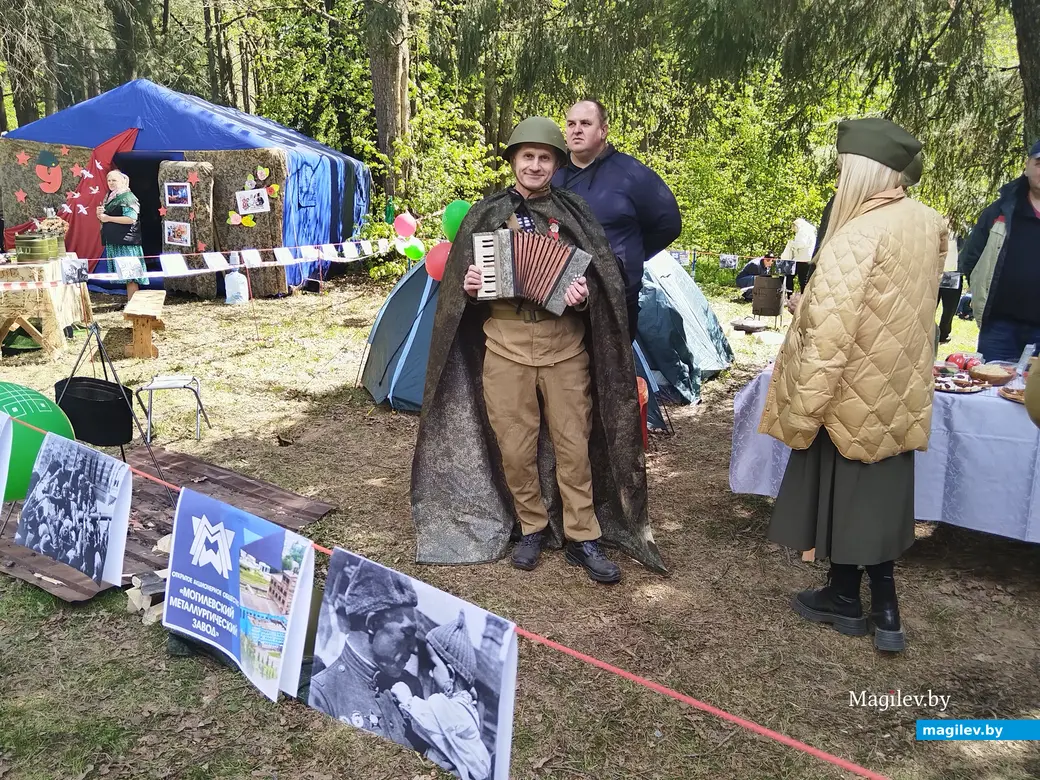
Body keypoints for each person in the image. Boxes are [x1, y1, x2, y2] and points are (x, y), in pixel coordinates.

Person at [411, 116, 665, 582]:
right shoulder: (485, 213)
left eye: (544, 157)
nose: (534, 165)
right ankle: (531, 526)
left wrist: (584, 293)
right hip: (504, 346)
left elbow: (599, 278)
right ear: (513, 162)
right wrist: (467, 285)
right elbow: (459, 289)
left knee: (574, 445)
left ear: (555, 164)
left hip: (565, 347)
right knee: (515, 445)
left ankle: (583, 536)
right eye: (526, 156)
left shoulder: (575, 212)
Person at [760, 118, 947, 654]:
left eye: (845, 168)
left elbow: (830, 334)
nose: (841, 179)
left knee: (848, 497)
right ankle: (864, 604)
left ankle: (865, 605)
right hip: (897, 386)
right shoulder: (928, 222)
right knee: (879, 498)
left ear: (862, 169)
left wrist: (804, 404)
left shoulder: (858, 234)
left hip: (848, 393)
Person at [551, 100, 682, 342]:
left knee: (611, 379)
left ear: (603, 130)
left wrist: (628, 257)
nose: (576, 129)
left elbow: (669, 224)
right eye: (571, 124)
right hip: (560, 303)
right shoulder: (553, 174)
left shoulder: (631, 174)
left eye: (585, 123)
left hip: (616, 303)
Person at [308, 560, 428, 750]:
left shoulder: (412, 686)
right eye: (406, 634)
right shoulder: (323, 694)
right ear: (373, 624)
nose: (413, 648)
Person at [958, 140, 1040, 362]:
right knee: (992, 390)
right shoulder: (1000, 211)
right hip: (999, 327)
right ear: (1027, 165)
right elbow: (970, 258)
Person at [392, 611, 492, 780]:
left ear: (451, 674)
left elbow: (426, 720)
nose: (431, 673)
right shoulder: (466, 707)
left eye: (434, 665)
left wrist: (407, 699)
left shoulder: (452, 707)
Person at [96, 169, 146, 299]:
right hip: (116, 240)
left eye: (114, 180)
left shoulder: (128, 197)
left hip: (126, 242)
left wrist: (108, 218)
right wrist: (100, 215)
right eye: (109, 180)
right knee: (125, 275)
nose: (111, 183)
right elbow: (106, 218)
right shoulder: (111, 197)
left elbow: (131, 218)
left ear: (123, 181)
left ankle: (134, 305)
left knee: (131, 275)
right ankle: (130, 302)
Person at [936, 226, 962, 344]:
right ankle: (930, 331)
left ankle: (943, 333)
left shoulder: (962, 232)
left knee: (949, 309)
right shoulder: (937, 230)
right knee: (931, 304)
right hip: (937, 272)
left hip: (953, 274)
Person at [779, 219, 817, 293]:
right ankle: (801, 296)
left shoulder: (803, 231)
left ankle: (792, 295)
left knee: (790, 276)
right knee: (803, 279)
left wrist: (791, 243)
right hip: (806, 258)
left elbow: (801, 244)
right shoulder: (809, 232)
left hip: (802, 259)